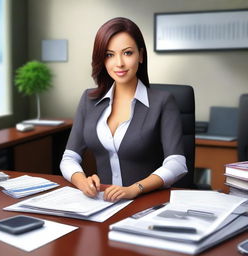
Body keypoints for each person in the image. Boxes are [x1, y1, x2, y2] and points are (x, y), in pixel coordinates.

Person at [60, 17, 187, 202]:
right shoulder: (89, 100)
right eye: (109, 55)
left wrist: (135, 189)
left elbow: (177, 163)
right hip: (102, 203)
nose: (118, 63)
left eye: (127, 53)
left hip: (147, 203)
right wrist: (82, 182)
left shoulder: (163, 102)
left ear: (140, 55)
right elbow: (69, 157)